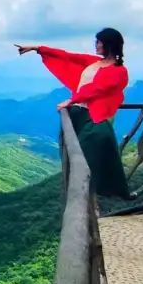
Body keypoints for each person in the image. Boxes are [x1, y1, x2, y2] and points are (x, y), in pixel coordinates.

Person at [15, 28, 131, 199]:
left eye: (99, 41)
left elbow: (97, 89)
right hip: (78, 114)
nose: (96, 44)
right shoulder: (94, 62)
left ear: (109, 44)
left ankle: (94, 197)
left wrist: (71, 100)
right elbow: (68, 56)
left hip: (94, 118)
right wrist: (38, 48)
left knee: (87, 158)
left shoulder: (119, 71)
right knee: (77, 156)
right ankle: (92, 197)